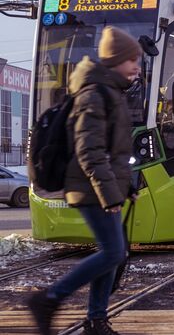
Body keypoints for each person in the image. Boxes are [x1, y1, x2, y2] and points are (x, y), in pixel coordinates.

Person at [28, 26, 142, 335]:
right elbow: (89, 151)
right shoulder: (95, 93)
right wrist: (110, 194)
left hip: (103, 188)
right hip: (92, 189)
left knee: (113, 255)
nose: (137, 66)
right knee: (113, 253)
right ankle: (49, 298)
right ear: (116, 59)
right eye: (132, 59)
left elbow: (113, 150)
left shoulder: (111, 91)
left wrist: (126, 186)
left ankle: (96, 319)